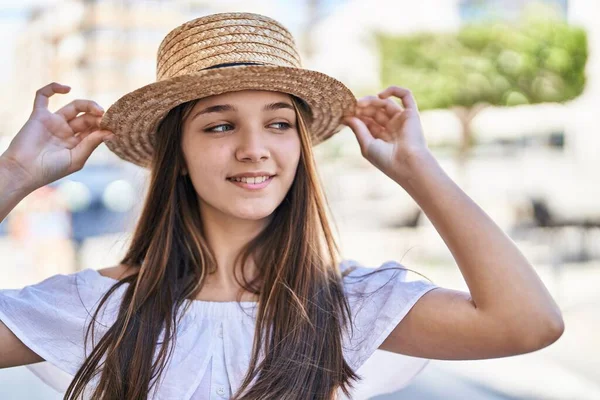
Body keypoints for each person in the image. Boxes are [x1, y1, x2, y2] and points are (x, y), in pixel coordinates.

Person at [0, 12, 564, 400]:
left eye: (279, 123)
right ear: (177, 156)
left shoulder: (349, 303)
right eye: (220, 125)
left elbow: (526, 323)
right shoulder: (102, 308)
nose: (255, 148)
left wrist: (420, 170)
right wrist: (14, 175)